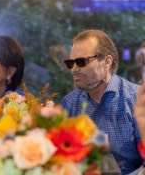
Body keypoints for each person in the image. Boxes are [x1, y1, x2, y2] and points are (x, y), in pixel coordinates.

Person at [61, 30, 143, 174]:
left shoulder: (136, 100)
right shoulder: (68, 104)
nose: (74, 69)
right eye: (70, 63)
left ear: (106, 62)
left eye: (81, 61)